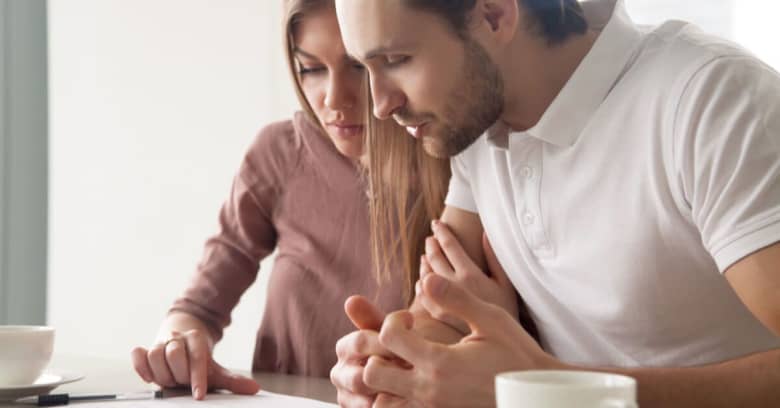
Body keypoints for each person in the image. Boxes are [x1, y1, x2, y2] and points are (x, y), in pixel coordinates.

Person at [331, 0, 780, 406]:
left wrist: (547, 387)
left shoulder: (711, 100)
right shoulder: (476, 126)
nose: (380, 106)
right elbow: (442, 318)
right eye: (365, 68)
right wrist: (393, 367)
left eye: (395, 61)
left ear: (494, 14)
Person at [129, 0, 451, 400]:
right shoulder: (280, 152)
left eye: (355, 66)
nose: (334, 99)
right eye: (311, 69)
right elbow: (198, 308)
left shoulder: (460, 168)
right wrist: (177, 346)